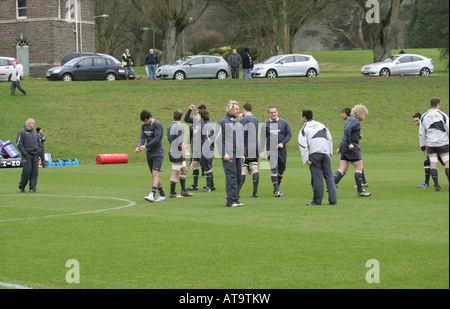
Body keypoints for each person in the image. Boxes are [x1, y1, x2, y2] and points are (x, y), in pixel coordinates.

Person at [298, 110, 337, 206]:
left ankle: (317, 201)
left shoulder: (304, 128)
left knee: (317, 178)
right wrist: (330, 152)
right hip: (325, 153)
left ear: (304, 117)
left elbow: (302, 144)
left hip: (314, 154)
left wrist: (306, 159)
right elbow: (329, 138)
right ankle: (333, 200)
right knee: (329, 177)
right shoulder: (322, 125)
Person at [333, 105, 372, 197]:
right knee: (359, 168)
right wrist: (350, 143)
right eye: (364, 114)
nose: (364, 117)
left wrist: (357, 136)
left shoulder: (350, 119)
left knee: (342, 169)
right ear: (360, 113)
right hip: (351, 147)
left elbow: (349, 132)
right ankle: (360, 191)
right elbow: (347, 130)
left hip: (344, 145)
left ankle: (331, 185)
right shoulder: (355, 120)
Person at [216, 100, 245, 207]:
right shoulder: (222, 122)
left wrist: (242, 153)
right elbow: (219, 140)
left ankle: (236, 199)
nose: (238, 111)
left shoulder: (237, 123)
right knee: (231, 177)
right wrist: (224, 153)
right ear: (231, 109)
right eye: (237, 109)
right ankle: (230, 201)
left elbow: (240, 139)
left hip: (237, 154)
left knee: (238, 177)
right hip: (228, 154)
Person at [261, 106, 292, 197]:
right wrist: (262, 151)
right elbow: (262, 139)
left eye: (274, 112)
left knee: (282, 170)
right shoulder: (265, 125)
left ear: (277, 112)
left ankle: (276, 188)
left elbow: (289, 135)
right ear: (268, 114)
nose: (273, 114)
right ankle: (277, 190)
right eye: (271, 112)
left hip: (282, 150)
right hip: (271, 150)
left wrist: (282, 143)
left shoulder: (284, 122)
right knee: (274, 169)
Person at [419, 97, 449, 191]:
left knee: (433, 164)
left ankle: (437, 185)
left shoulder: (424, 116)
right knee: (447, 163)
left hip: (431, 144)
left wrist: (422, 146)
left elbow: (421, 132)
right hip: (442, 142)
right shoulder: (442, 114)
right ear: (438, 104)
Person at [136, 110, 166, 202]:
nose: (145, 123)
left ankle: (152, 194)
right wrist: (139, 146)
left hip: (158, 152)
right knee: (154, 175)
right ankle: (162, 195)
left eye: (146, 120)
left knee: (155, 173)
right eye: (144, 121)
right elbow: (142, 137)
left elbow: (157, 139)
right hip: (149, 152)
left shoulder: (158, 125)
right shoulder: (144, 126)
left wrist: (146, 146)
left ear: (150, 117)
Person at [184, 104, 215, 191]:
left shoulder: (207, 125)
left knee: (207, 167)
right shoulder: (200, 124)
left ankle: (209, 187)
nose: (195, 116)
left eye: (197, 114)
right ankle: (195, 185)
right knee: (195, 164)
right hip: (198, 149)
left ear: (201, 116)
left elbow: (208, 140)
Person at [413, 112, 445, 188]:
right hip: (434, 147)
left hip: (438, 146)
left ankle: (430, 184)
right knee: (428, 162)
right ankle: (429, 183)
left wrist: (424, 146)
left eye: (417, 121)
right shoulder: (424, 127)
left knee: (443, 164)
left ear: (421, 120)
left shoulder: (426, 126)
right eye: (415, 121)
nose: (416, 123)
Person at [167, 110, 193, 198]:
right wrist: (186, 151)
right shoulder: (179, 127)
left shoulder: (169, 126)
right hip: (177, 153)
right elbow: (180, 141)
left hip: (175, 151)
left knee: (184, 169)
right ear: (181, 117)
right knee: (175, 172)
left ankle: (183, 191)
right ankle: (172, 193)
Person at [239, 102, 260, 197]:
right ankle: (255, 192)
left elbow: (241, 133)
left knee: (242, 168)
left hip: (246, 145)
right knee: (254, 167)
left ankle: (236, 192)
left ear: (244, 110)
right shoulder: (256, 119)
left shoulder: (244, 119)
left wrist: (240, 121)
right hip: (255, 145)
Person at [16, 118, 40, 193]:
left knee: (35, 172)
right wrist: (25, 153)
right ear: (29, 124)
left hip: (35, 155)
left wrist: (38, 151)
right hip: (27, 155)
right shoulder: (22, 132)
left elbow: (38, 143)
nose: (34, 124)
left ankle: (32, 188)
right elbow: (19, 144)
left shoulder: (35, 133)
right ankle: (22, 186)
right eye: (33, 123)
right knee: (27, 171)